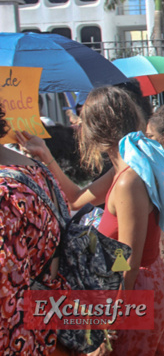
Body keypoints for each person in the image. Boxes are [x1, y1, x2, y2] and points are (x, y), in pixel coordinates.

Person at [19, 86, 164, 355]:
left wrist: (108, 325)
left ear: (95, 132)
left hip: (133, 293)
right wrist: (45, 156)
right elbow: (76, 198)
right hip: (144, 289)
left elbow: (128, 262)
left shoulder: (127, 181)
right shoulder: (129, 168)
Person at [0, 106, 77, 355]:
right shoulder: (38, 170)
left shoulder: (4, 191)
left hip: (27, 338)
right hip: (55, 325)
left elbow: (6, 299)